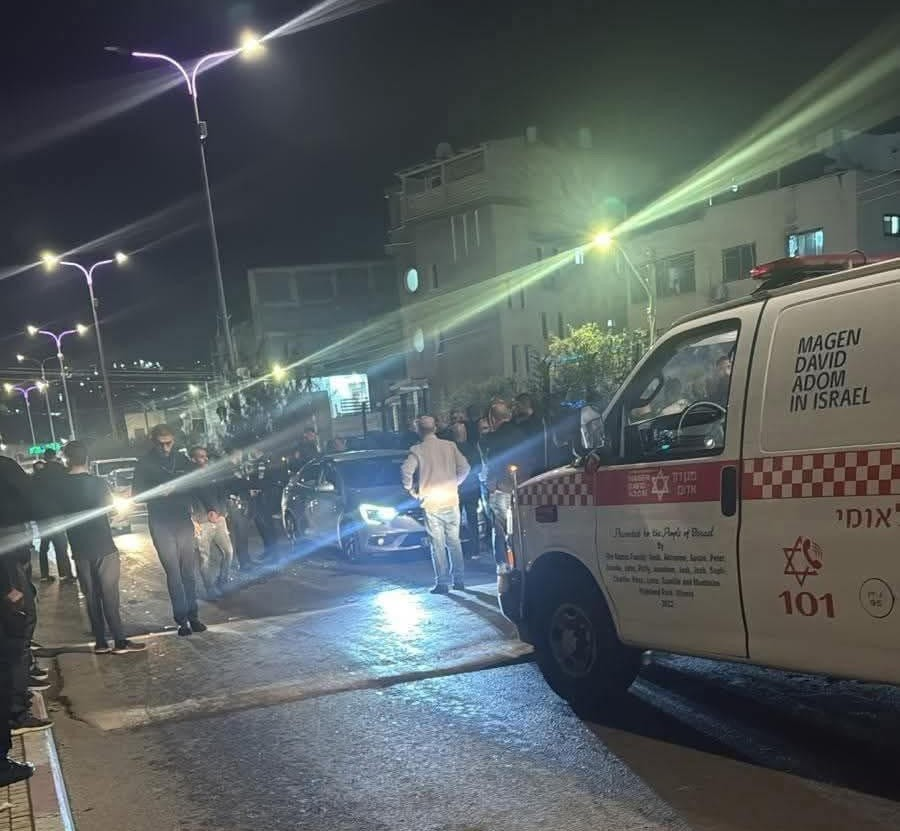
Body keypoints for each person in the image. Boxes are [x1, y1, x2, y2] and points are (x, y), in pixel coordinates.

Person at [59, 442, 145, 655]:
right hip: (103, 545)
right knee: (109, 595)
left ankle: (100, 642)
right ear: (86, 459)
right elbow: (112, 511)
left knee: (91, 596)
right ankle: (119, 641)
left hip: (79, 547)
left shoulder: (60, 486)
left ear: (66, 460)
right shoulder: (98, 483)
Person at [133, 424, 208, 636]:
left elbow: (196, 484)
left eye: (169, 443)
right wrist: (158, 491)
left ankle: (193, 617)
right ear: (153, 442)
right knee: (174, 573)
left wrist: (209, 508)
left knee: (188, 573)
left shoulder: (181, 460)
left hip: (182, 519)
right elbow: (137, 493)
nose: (166, 448)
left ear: (174, 440)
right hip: (160, 522)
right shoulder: (144, 463)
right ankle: (182, 621)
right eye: (161, 444)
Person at [0, 455, 51, 751]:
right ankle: (17, 710)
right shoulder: (6, 468)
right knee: (18, 630)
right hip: (8, 560)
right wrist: (7, 585)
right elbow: (34, 502)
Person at [401, 416, 470, 594]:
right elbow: (465, 468)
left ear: (419, 430)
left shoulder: (417, 450)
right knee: (454, 541)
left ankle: (442, 582)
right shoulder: (450, 446)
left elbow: (406, 471)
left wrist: (411, 490)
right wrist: (454, 483)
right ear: (435, 428)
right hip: (450, 499)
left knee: (437, 544)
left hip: (431, 502)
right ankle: (459, 580)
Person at [480, 401, 528, 566]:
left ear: (492, 419)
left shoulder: (492, 438)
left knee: (501, 529)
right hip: (521, 486)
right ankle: (519, 561)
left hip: (501, 487)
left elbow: (491, 463)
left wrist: (492, 484)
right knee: (517, 527)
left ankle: (503, 565)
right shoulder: (521, 433)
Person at [189, 446, 234, 600]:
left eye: (205, 456)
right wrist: (197, 518)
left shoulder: (212, 474)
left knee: (228, 552)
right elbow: (191, 500)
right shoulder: (190, 478)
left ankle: (223, 580)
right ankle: (209, 588)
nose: (205, 459)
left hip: (219, 519)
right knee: (205, 558)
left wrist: (222, 512)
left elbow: (222, 492)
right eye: (201, 456)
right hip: (202, 521)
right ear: (193, 459)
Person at [32, 449, 74, 584]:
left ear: (44, 458)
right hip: (58, 514)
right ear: (54, 456)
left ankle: (44, 575)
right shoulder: (61, 470)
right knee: (61, 545)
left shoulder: (38, 475)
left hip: (42, 516)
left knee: (44, 546)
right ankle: (65, 574)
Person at [451, 421, 482, 559]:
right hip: (471, 489)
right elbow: (478, 467)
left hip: (455, 490)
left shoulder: (450, 450)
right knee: (472, 521)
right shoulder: (472, 448)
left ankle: (458, 550)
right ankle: (474, 549)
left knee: (454, 522)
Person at [514, 393, 548, 476]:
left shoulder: (535, 422)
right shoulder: (536, 419)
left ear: (523, 405)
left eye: (517, 405)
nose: (515, 408)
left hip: (535, 463)